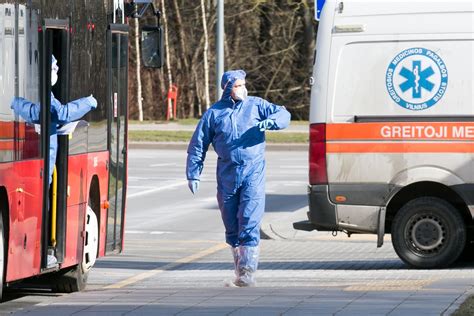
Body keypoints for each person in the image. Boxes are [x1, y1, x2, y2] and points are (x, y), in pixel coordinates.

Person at [186, 69, 291, 287]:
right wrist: (193, 173)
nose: (242, 89)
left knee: (250, 219)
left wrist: (272, 121)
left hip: (253, 171)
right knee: (231, 223)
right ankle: (239, 269)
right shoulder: (214, 114)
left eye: (243, 84)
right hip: (227, 174)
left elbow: (283, 114)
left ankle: (247, 272)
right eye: (237, 85)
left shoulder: (256, 105)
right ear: (227, 89)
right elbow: (198, 145)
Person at [11, 55, 97, 267]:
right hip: (41, 166)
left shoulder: (37, 94)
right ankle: (43, 250)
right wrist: (89, 102)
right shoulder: (44, 98)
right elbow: (62, 112)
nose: (56, 72)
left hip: (35, 163)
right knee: (43, 204)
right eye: (54, 68)